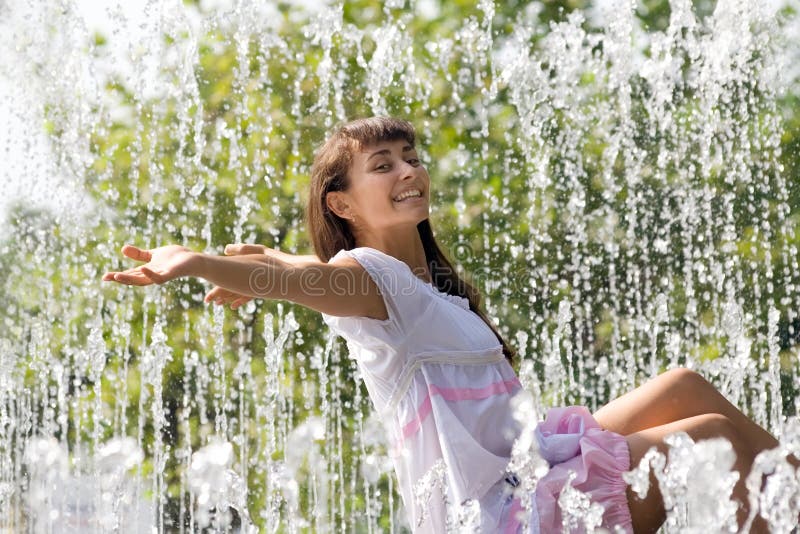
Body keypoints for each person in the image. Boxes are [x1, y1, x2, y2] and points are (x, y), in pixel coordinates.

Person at [104, 116, 782, 533]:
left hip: (532, 461)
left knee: (685, 386)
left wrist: (270, 256)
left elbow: (311, 266)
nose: (409, 170)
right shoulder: (369, 282)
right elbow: (301, 283)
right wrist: (195, 263)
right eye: (384, 164)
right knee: (709, 437)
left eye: (410, 155)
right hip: (508, 514)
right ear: (341, 201)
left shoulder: (426, 286)